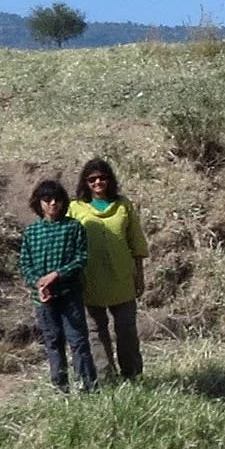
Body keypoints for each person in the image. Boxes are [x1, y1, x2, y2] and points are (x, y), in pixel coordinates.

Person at [69, 157, 150, 381]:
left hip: (122, 278)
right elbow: (66, 241)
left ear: (110, 180)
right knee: (96, 333)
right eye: (92, 179)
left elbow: (136, 242)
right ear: (85, 182)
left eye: (102, 177)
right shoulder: (75, 208)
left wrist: (139, 276)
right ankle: (106, 378)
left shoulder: (123, 204)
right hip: (89, 280)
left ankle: (132, 375)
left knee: (127, 331)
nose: (98, 182)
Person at [18, 178, 97, 392]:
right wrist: (38, 283)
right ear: (39, 203)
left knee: (78, 342)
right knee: (53, 343)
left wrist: (56, 274)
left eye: (57, 199)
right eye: (47, 199)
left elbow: (81, 258)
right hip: (43, 299)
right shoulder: (32, 232)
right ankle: (60, 389)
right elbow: (25, 263)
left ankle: (87, 387)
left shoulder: (73, 228)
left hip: (69, 294)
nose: (53, 203)